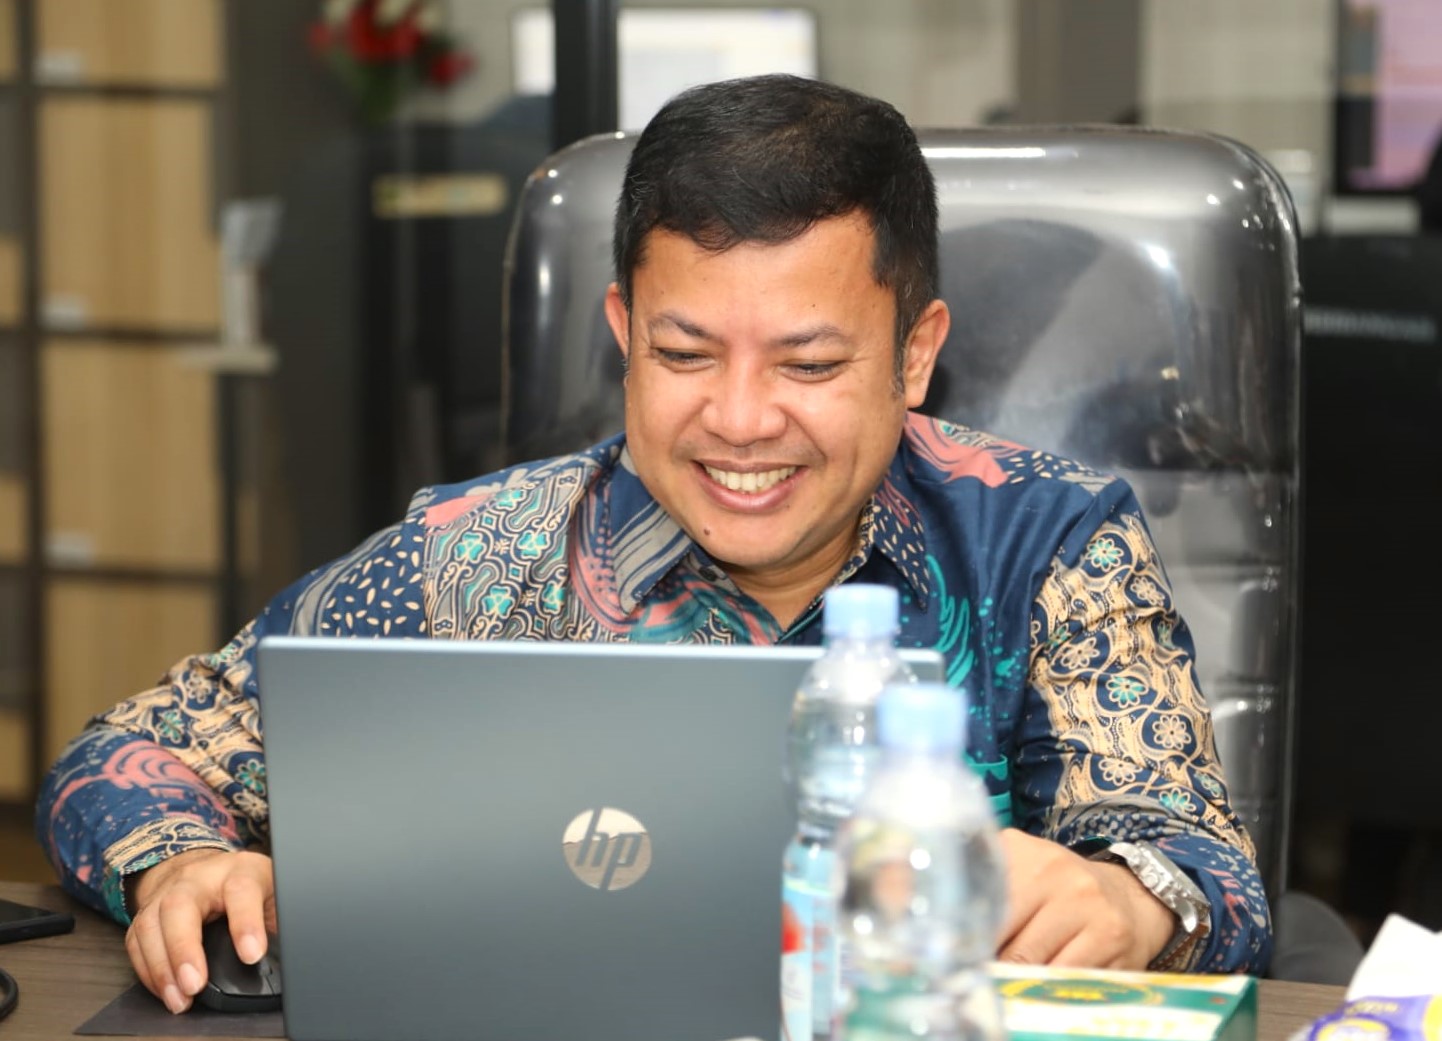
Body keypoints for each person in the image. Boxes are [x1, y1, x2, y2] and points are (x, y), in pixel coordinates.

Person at [36, 74, 1272, 1014]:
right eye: (684, 354)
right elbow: (127, 753)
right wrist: (182, 864)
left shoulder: (1044, 538)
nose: (737, 421)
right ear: (624, 331)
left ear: (912, 353)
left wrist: (1129, 902)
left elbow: (1203, 866)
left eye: (808, 364)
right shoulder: (477, 556)